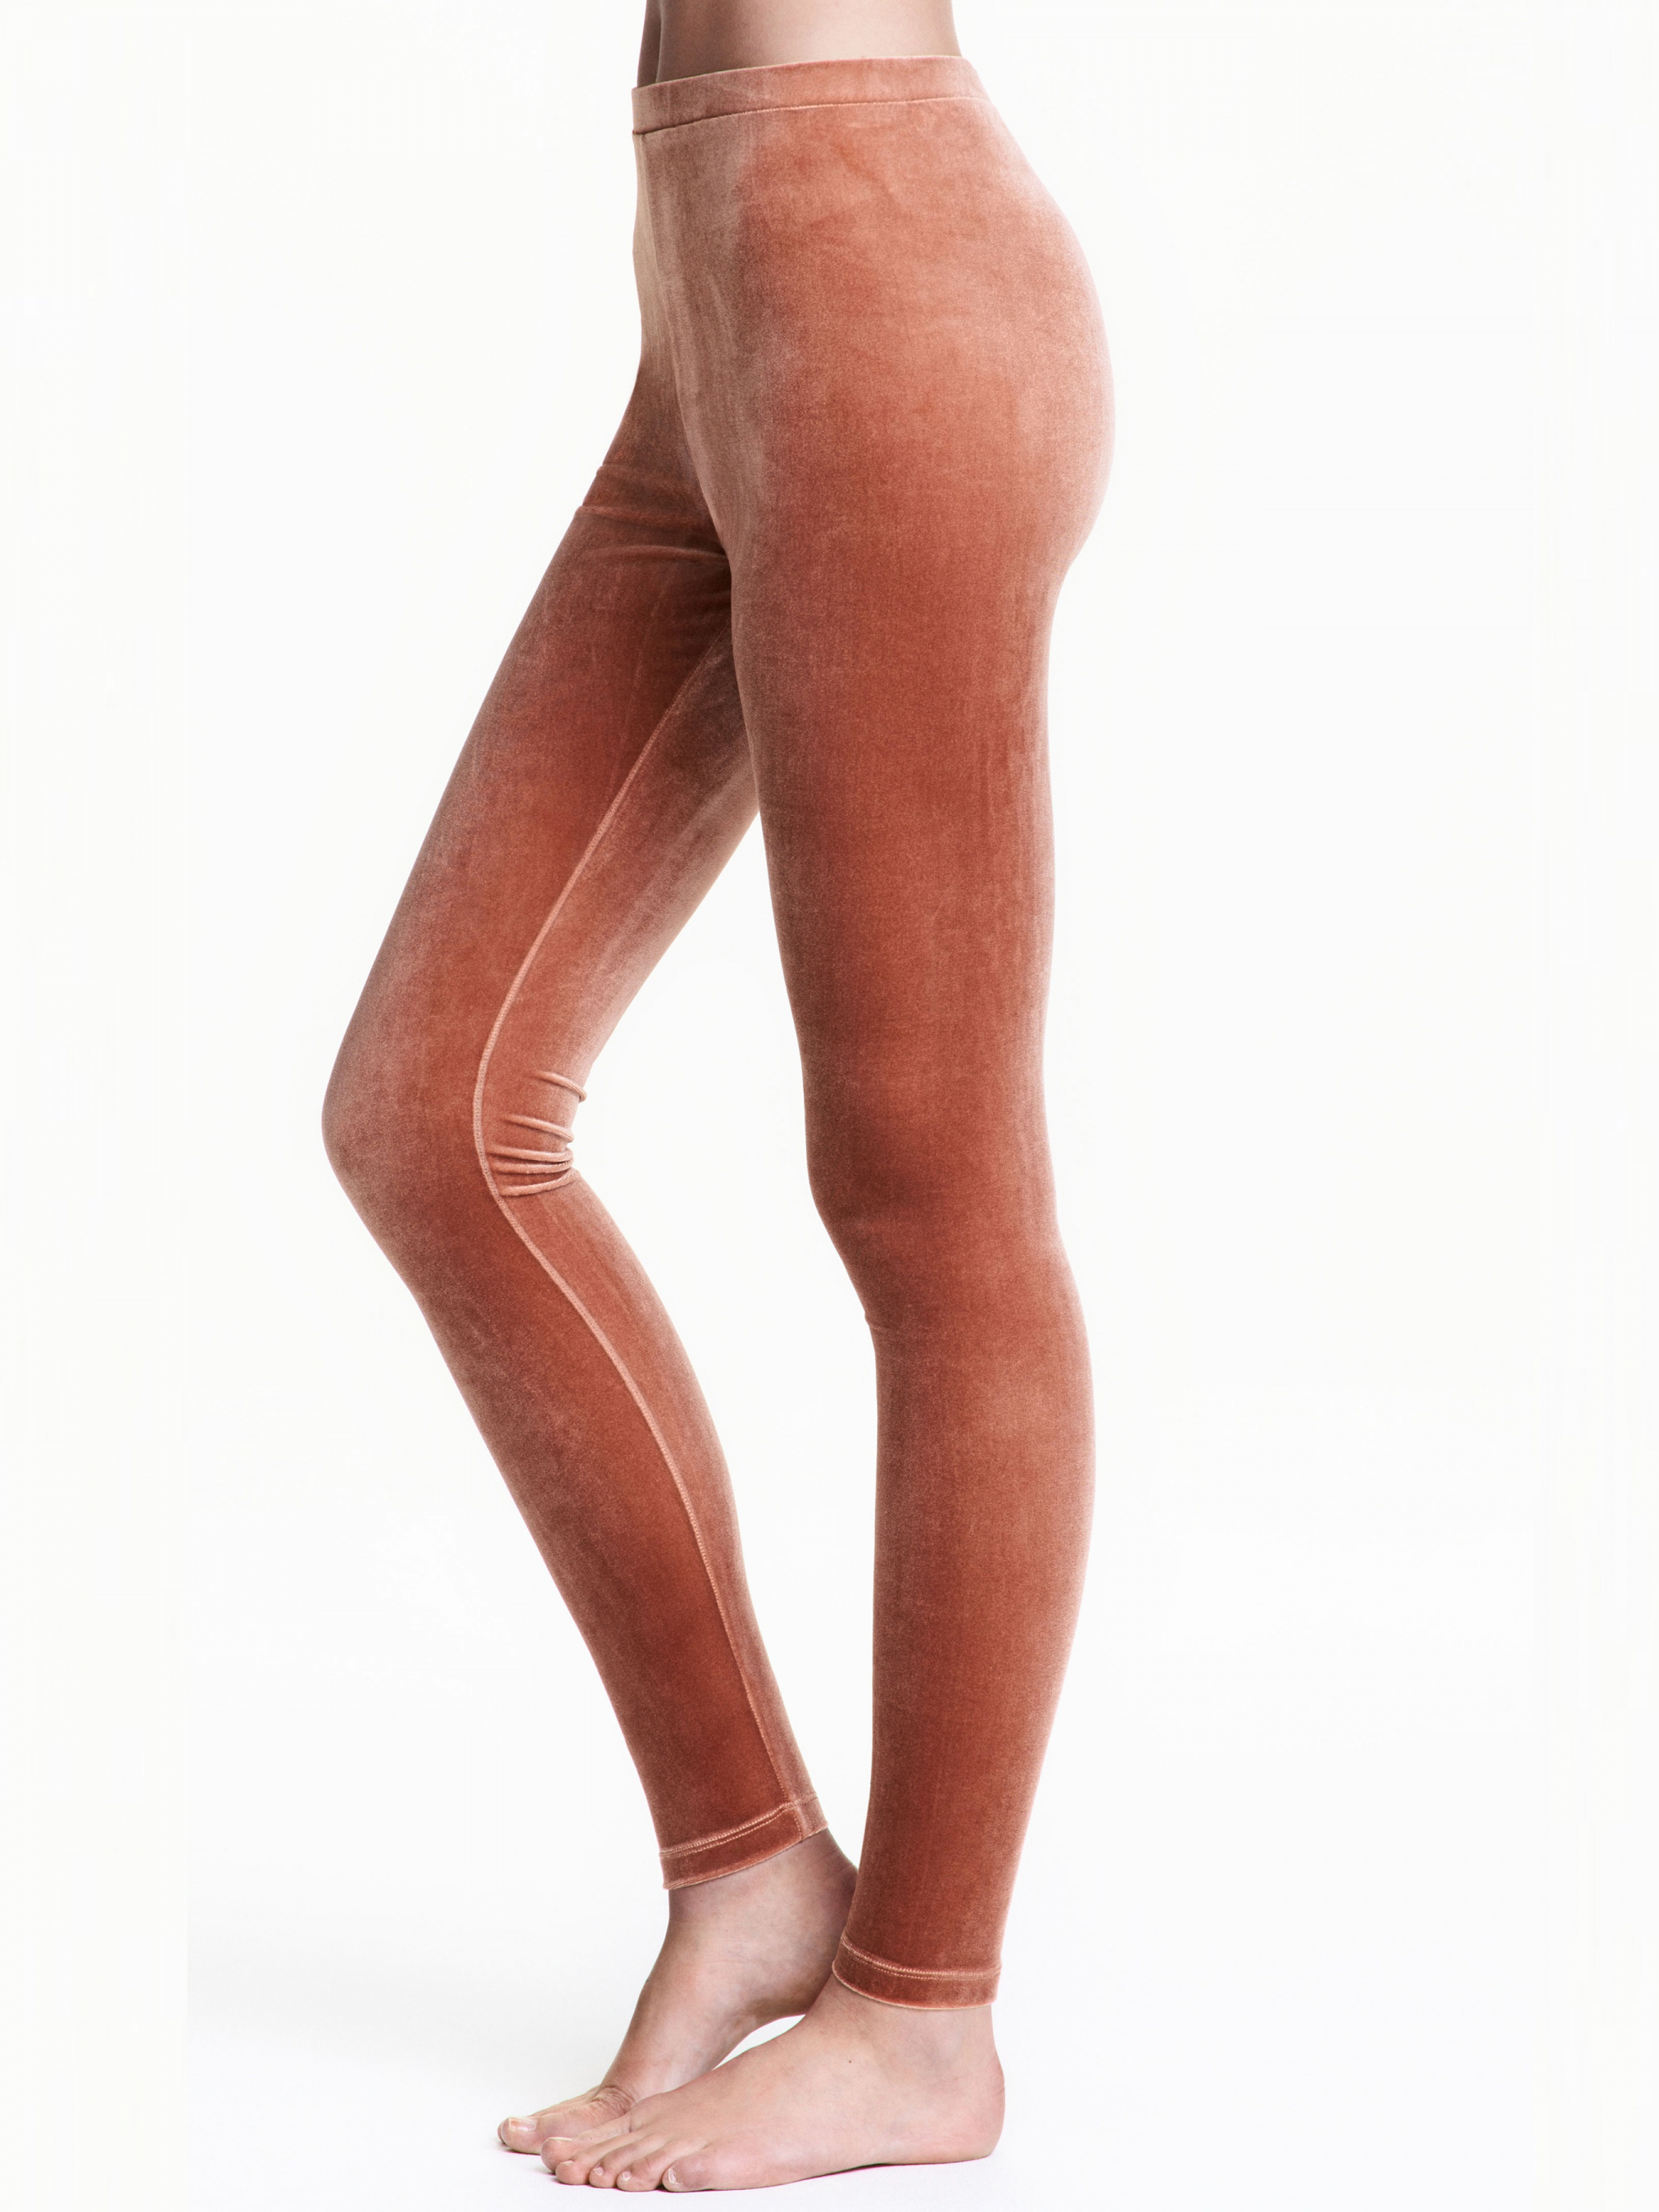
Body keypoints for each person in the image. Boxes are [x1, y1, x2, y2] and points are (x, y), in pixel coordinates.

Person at [321, 0, 1112, 2189]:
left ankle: (923, 2014)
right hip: (711, 296)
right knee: (429, 1113)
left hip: (879, 270)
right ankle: (755, 1861)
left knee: (927, 1192)